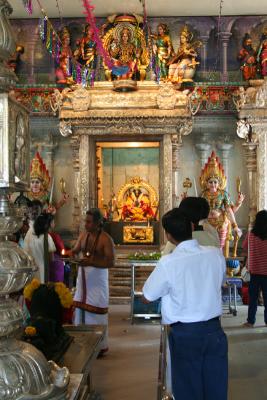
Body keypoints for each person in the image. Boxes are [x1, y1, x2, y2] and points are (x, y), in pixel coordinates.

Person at [143, 208, 227, 400]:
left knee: (189, 390)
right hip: (215, 332)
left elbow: (147, 295)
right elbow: (220, 282)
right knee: (216, 389)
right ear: (191, 227)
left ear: (168, 235)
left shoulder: (168, 263)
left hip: (185, 335)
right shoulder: (215, 254)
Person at [71, 208, 115, 354]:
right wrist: (70, 254)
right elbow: (75, 250)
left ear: (97, 223)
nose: (86, 225)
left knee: (96, 311)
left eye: (89, 222)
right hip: (83, 279)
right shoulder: (83, 235)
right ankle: (82, 343)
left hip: (97, 280)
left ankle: (100, 347)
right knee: (80, 309)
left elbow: (110, 262)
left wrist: (91, 263)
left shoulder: (106, 239)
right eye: (86, 221)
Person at [200, 151, 244, 257]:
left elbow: (229, 211)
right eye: (210, 182)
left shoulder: (223, 194)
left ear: (219, 183)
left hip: (221, 223)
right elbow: (199, 210)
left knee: (219, 248)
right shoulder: (203, 194)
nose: (213, 184)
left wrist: (235, 226)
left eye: (215, 182)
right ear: (206, 183)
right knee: (207, 248)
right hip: (206, 223)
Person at [243, 210, 267, 327]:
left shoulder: (251, 234)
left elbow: (244, 247)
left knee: (253, 298)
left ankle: (250, 321)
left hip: (255, 271)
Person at [24, 213, 56, 283]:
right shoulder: (47, 237)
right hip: (43, 270)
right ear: (49, 224)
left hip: (31, 270)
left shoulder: (31, 237)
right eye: (53, 222)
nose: (54, 225)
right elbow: (51, 259)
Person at [49, 218, 65, 283]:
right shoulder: (54, 236)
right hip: (56, 262)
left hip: (46, 263)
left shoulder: (41, 236)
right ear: (50, 224)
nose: (54, 223)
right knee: (57, 285)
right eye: (53, 222)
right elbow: (62, 249)